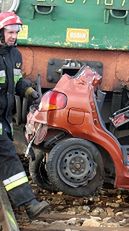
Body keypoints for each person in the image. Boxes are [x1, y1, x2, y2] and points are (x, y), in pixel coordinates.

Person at [0, 12, 49, 219]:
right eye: (10, 32)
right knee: (8, 155)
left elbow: (15, 82)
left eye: (16, 32)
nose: (13, 36)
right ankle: (29, 204)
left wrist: (27, 90)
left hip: (3, 117)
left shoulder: (14, 55)